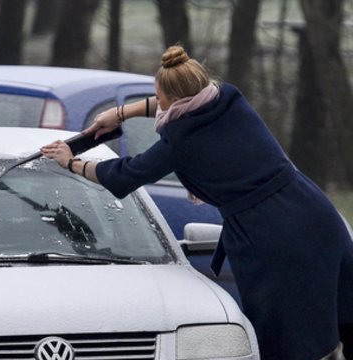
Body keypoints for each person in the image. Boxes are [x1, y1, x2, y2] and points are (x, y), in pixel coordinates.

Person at [41, 45, 353, 360]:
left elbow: (125, 174)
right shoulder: (228, 99)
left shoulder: (180, 142)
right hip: (315, 211)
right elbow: (173, 104)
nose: (157, 106)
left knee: (286, 337)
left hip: (272, 233)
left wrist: (71, 163)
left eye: (159, 98)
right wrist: (121, 113)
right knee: (341, 319)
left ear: (174, 101)